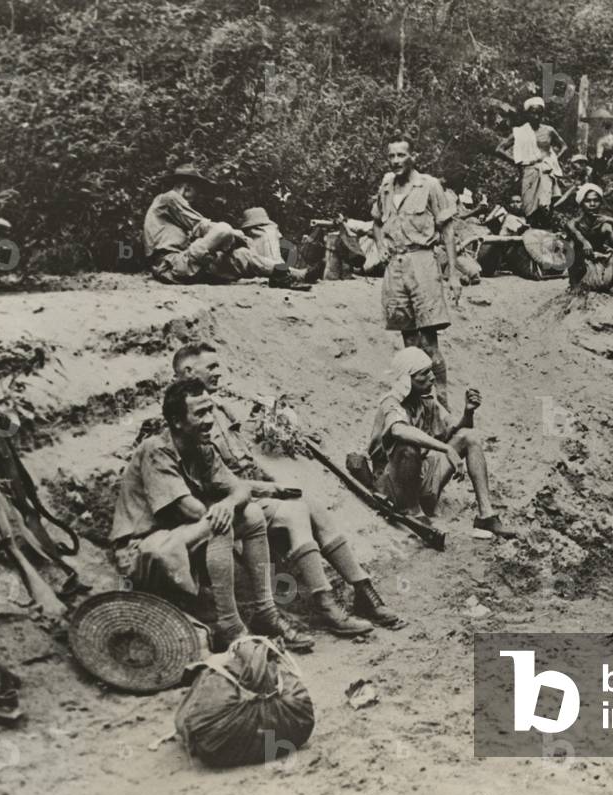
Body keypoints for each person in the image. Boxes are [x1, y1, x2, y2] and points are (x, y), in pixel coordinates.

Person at [172, 343, 398, 633]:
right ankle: (325, 603)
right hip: (225, 505)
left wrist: (272, 485)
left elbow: (243, 462)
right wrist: (266, 490)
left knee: (312, 503)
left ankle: (364, 589)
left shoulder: (219, 408)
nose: (219, 372)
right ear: (189, 371)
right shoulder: (183, 416)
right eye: (211, 367)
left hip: (245, 493)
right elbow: (210, 481)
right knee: (295, 514)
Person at [107, 378, 318, 651]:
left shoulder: (202, 447)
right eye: (200, 413)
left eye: (210, 410)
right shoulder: (156, 450)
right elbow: (190, 510)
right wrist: (225, 507)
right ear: (177, 421)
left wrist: (228, 505)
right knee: (220, 524)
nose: (209, 420)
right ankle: (230, 626)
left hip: (182, 538)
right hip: (143, 549)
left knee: (251, 514)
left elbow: (239, 489)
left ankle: (266, 612)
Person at [368, 347, 516, 539]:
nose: (431, 377)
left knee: (470, 437)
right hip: (394, 485)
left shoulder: (426, 402)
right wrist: (445, 448)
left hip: (422, 476)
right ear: (407, 379)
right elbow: (399, 430)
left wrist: (468, 413)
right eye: (423, 374)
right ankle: (413, 513)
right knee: (407, 448)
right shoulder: (391, 403)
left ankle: (486, 516)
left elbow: (453, 431)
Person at [372, 133, 460, 409]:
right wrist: (380, 245)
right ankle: (417, 406)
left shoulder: (429, 185)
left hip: (422, 264)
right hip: (395, 268)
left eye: (401, 155)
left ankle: (443, 404)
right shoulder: (386, 186)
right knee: (409, 345)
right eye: (391, 156)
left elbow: (447, 229)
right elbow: (375, 221)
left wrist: (453, 274)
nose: (396, 161)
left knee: (429, 343)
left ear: (413, 157)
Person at [143, 163, 308, 287]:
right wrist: (236, 235)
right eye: (196, 191)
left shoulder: (174, 213)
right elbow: (202, 226)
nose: (197, 197)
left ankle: (294, 274)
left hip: (187, 264)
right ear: (186, 188)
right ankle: (285, 273)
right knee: (223, 229)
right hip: (172, 265)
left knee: (243, 255)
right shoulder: (169, 198)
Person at [495, 97, 568, 228]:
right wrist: (516, 162)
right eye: (532, 112)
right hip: (528, 171)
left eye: (539, 113)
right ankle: (530, 234)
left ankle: (545, 233)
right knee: (529, 207)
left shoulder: (549, 130)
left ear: (542, 114)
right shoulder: (521, 131)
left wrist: (554, 159)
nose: (536, 116)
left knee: (545, 206)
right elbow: (499, 149)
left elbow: (564, 146)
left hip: (546, 170)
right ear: (527, 114)